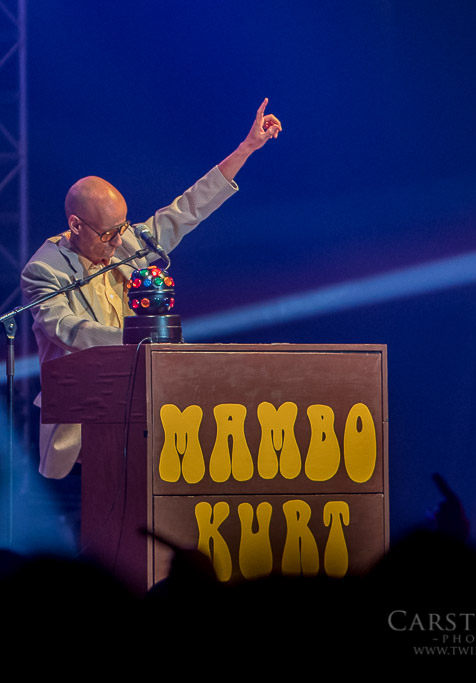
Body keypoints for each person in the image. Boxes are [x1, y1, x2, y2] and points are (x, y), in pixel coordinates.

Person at [21, 99, 282, 479]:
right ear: (76, 225)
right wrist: (142, 341)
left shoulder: (125, 242)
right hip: (80, 426)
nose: (117, 241)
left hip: (138, 411)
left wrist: (246, 148)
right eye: (108, 234)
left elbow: (186, 210)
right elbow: (68, 329)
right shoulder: (44, 269)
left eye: (122, 228)